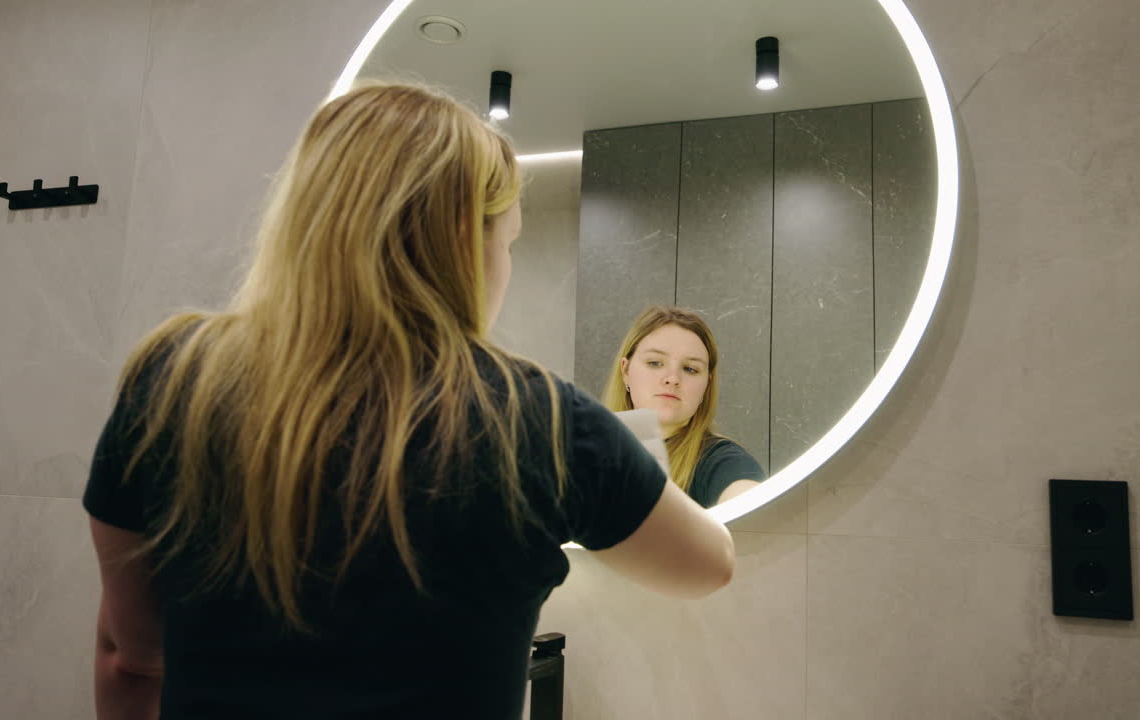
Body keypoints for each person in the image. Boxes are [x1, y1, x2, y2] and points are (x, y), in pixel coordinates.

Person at [83, 82, 734, 720]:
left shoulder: (173, 378)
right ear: (461, 235)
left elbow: (130, 658)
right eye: (506, 242)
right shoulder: (539, 421)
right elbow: (708, 565)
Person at [602, 306, 764, 508]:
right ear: (625, 370)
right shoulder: (583, 452)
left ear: (707, 385)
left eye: (690, 369)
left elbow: (748, 503)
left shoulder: (722, 462)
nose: (672, 379)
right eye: (655, 363)